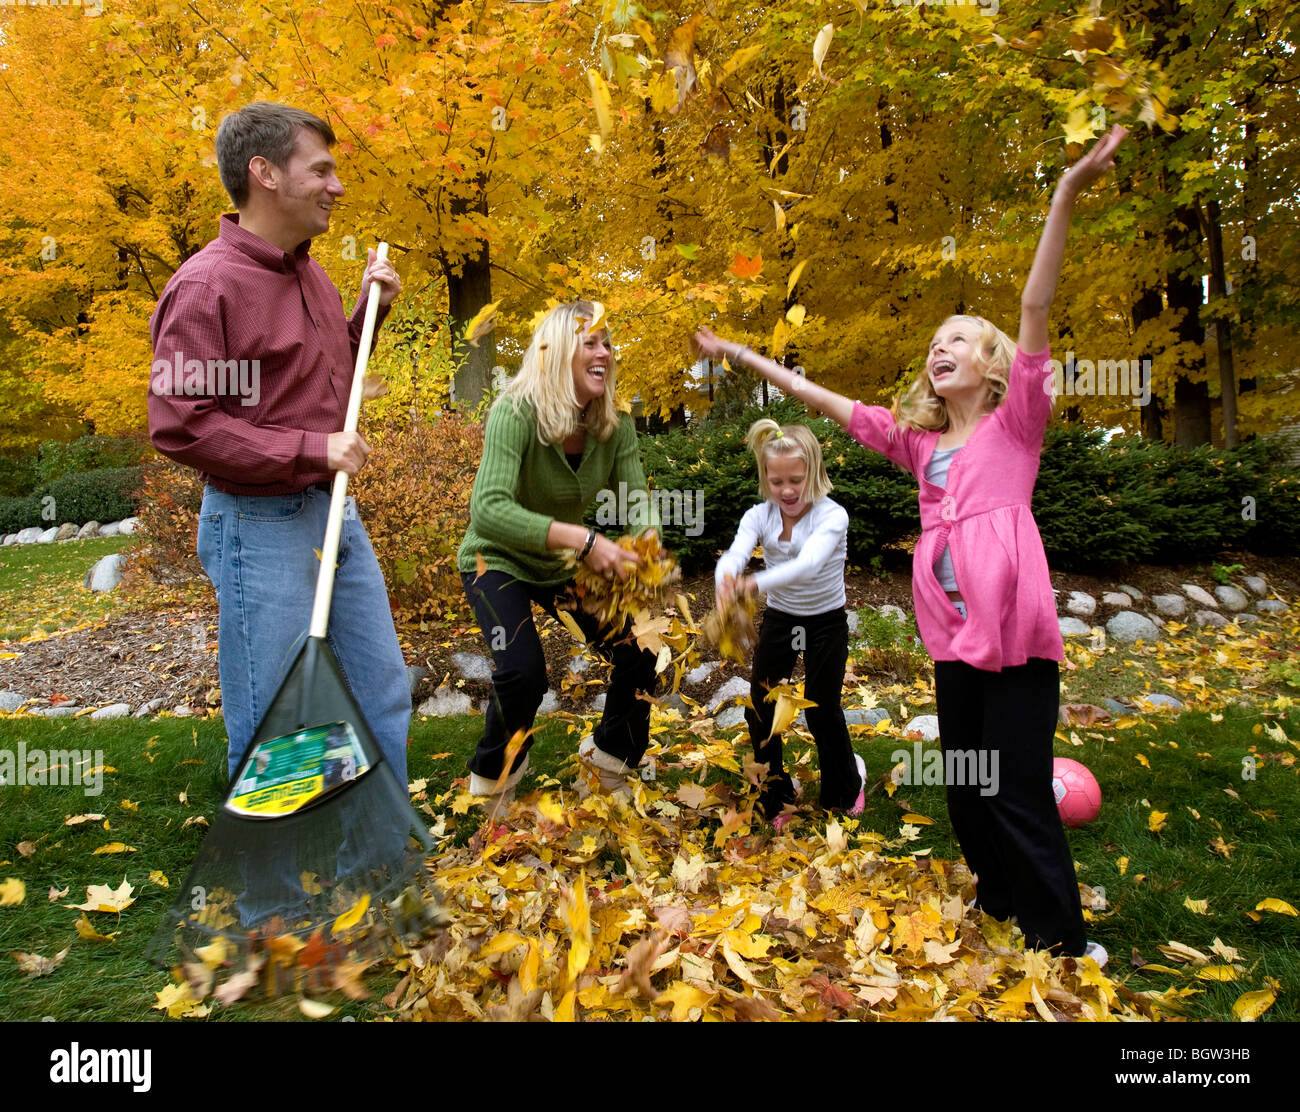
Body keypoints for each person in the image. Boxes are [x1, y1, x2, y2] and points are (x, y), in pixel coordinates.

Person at [694, 125, 1129, 963]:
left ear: (995, 365)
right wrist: (745, 355)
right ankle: (1000, 906)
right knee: (969, 790)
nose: (941, 346)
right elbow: (824, 401)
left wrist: (1066, 190)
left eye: (958, 338)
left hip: (1017, 642)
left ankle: (1064, 943)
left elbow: (1036, 307)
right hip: (956, 641)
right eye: (934, 341)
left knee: (1013, 792)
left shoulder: (1017, 425)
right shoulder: (920, 445)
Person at [148, 101, 407, 924]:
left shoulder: (312, 274)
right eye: (320, 169)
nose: (337, 184)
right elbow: (181, 423)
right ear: (265, 174)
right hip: (259, 525)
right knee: (281, 724)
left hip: (332, 517)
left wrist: (368, 315)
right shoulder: (207, 285)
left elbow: (306, 380)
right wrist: (308, 452)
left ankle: (376, 880)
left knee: (380, 695)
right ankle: (273, 916)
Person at [457, 300, 660, 798]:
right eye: (589, 342)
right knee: (523, 674)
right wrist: (584, 540)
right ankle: (492, 784)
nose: (603, 352)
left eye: (606, 342)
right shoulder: (514, 411)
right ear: (556, 352)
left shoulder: (615, 424)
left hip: (557, 565)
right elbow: (487, 509)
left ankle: (607, 763)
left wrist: (645, 547)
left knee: (643, 647)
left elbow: (638, 502)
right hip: (495, 558)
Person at [715, 418, 865, 826]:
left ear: (814, 472)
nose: (787, 490)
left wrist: (753, 585)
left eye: (796, 480)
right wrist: (725, 579)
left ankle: (846, 786)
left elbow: (808, 564)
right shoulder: (759, 515)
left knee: (822, 709)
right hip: (781, 620)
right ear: (765, 478)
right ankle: (775, 790)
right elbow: (735, 554)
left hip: (825, 623)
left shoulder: (832, 517)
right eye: (776, 481)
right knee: (762, 706)